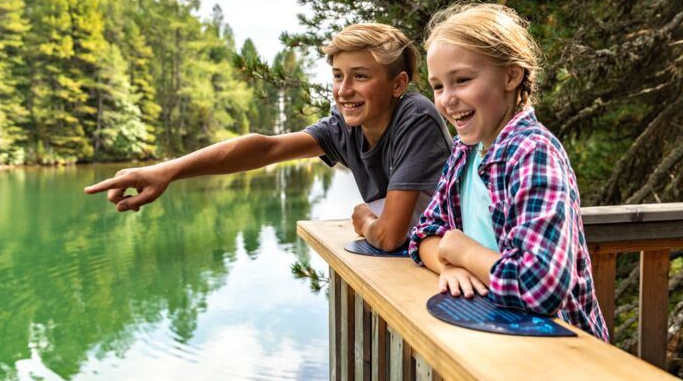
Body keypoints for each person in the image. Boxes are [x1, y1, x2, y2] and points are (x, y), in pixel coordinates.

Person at [85, 23, 452, 252]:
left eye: (360, 76)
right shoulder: (345, 127)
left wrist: (364, 219)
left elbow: (388, 236)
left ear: (398, 84)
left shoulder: (415, 118)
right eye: (338, 76)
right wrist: (168, 170)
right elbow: (266, 148)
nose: (343, 90)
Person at [408, 2, 608, 340]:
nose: (447, 99)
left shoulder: (533, 153)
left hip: (560, 349)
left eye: (462, 80)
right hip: (495, 336)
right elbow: (425, 232)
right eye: (438, 86)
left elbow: (541, 285)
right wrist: (447, 265)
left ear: (511, 76)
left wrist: (463, 252)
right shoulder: (465, 152)